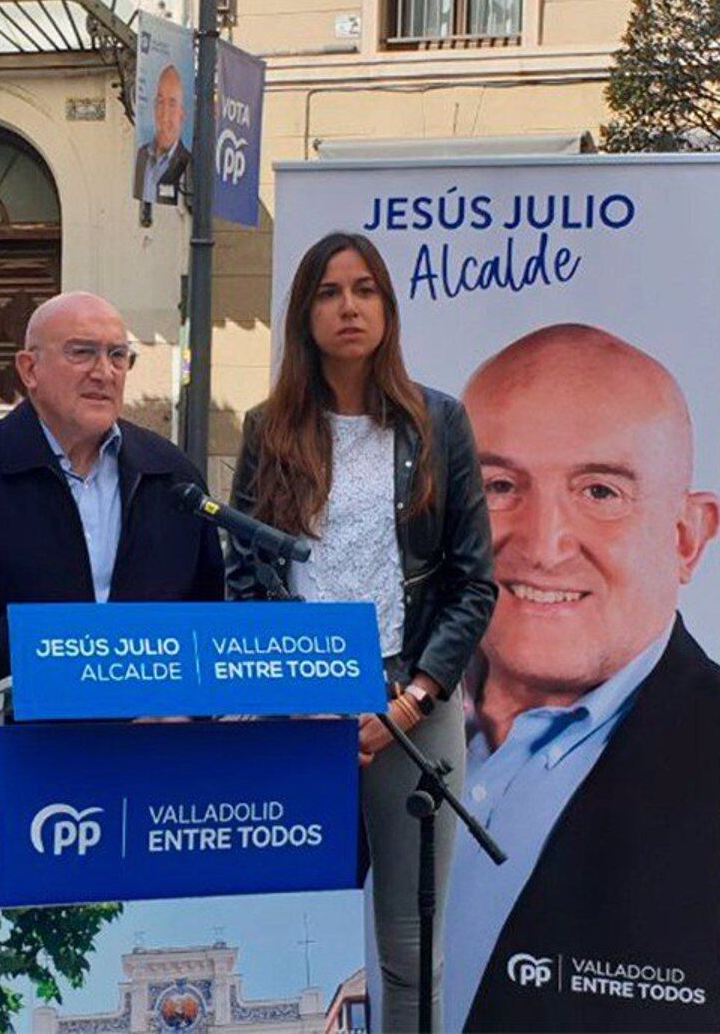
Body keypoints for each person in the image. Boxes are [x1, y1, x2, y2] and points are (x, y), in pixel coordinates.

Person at [0, 291, 224, 1033]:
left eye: (118, 355)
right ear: (29, 369)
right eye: (81, 352)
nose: (105, 372)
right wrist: (36, 652)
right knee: (0, 1001)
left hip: (135, 782)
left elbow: (204, 625)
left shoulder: (168, 475)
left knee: (118, 994)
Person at [226, 231, 497, 1034]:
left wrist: (408, 703)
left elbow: (471, 582)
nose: (349, 307)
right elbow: (246, 579)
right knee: (297, 940)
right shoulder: (268, 427)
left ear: (387, 308)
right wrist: (296, 694)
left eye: (365, 289)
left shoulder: (438, 423)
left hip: (412, 705)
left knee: (412, 950)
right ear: (304, 314)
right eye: (329, 292)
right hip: (301, 710)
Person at [446, 323, 720, 1033]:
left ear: (686, 537)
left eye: (600, 492)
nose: (543, 547)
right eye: (500, 486)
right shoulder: (380, 713)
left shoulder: (716, 754)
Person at [133, 63, 193, 204]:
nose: (165, 115)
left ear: (182, 114)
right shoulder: (142, 155)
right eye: (160, 102)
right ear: (154, 108)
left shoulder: (187, 161)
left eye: (172, 104)